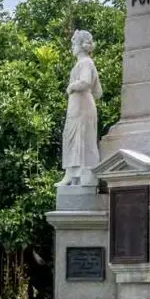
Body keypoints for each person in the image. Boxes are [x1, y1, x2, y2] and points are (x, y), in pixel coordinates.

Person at [59, 30, 102, 187]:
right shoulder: (83, 63)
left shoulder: (85, 62)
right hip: (78, 104)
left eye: (74, 43)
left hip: (82, 105)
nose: (72, 47)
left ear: (80, 45)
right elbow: (99, 91)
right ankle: (71, 173)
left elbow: (86, 82)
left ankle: (81, 174)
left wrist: (71, 87)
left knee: (80, 137)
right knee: (72, 136)